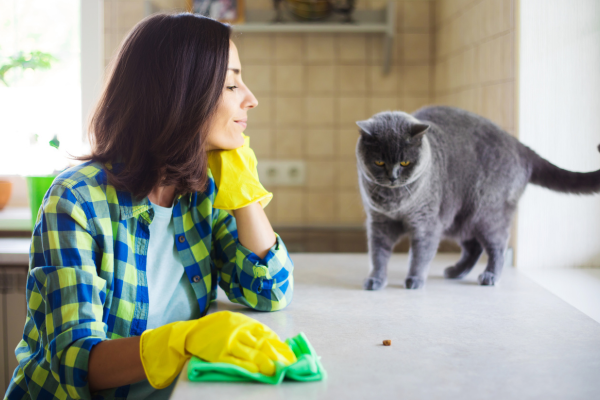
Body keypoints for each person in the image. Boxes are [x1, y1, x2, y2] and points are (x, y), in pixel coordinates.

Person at [5, 12, 295, 400]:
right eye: (230, 84)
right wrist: (184, 340)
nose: (250, 98)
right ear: (182, 96)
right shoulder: (75, 200)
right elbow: (75, 362)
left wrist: (244, 192)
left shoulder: (203, 192)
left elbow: (270, 290)